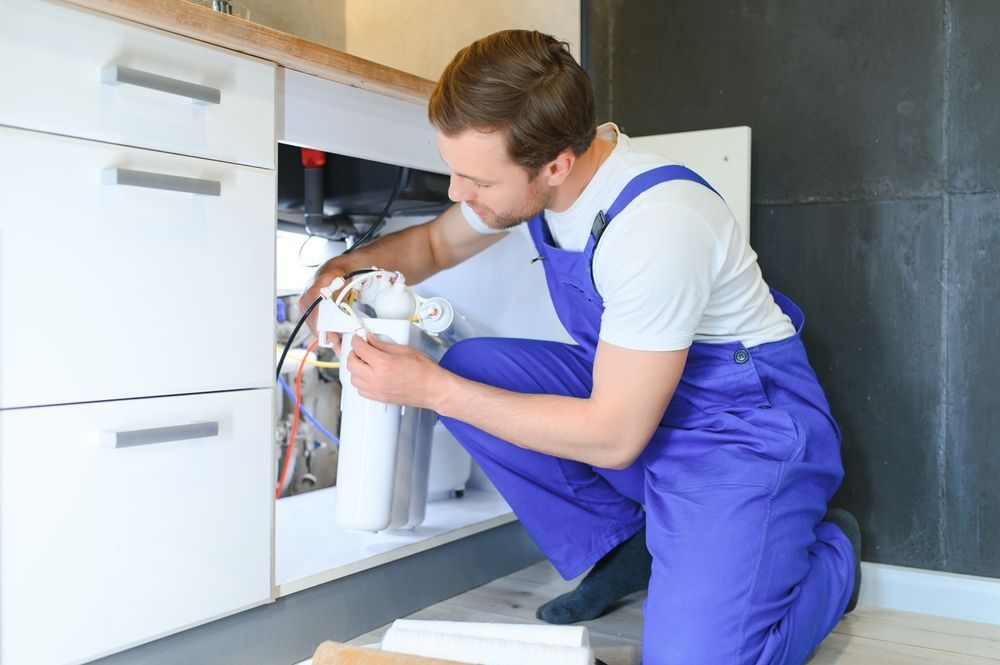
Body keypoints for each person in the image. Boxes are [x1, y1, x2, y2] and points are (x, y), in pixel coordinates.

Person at [301, 29, 861, 665]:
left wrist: (429, 389)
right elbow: (432, 246)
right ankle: (626, 545)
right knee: (474, 368)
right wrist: (343, 269)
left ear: (556, 166)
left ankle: (830, 557)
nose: (459, 193)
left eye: (475, 180)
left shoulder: (657, 225)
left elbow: (615, 436)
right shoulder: (535, 176)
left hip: (740, 432)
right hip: (644, 404)